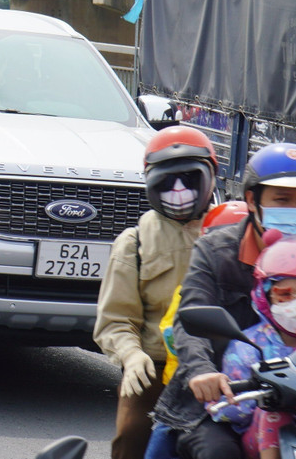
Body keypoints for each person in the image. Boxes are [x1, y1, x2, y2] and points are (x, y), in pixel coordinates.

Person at [153, 143, 296, 459]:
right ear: (252, 200)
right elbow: (191, 319)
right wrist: (201, 371)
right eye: (282, 199)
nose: (295, 209)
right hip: (226, 400)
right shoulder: (215, 251)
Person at [94, 126, 217, 459]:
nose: (178, 191)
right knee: (131, 437)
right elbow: (114, 321)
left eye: (189, 179)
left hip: (221, 366)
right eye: (167, 181)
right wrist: (132, 356)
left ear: (212, 176)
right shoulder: (134, 243)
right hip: (155, 367)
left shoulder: (231, 231)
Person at [210, 233, 296, 459]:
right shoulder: (249, 346)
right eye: (284, 295)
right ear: (266, 296)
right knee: (275, 415)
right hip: (265, 440)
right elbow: (231, 409)